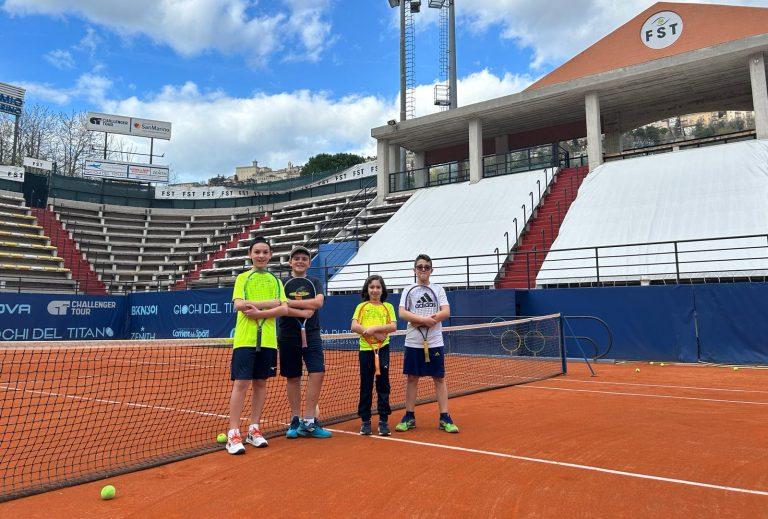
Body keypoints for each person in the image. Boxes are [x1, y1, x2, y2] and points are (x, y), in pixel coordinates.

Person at [226, 237, 289, 455]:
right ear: (250, 255)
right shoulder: (243, 278)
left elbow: (284, 309)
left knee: (261, 384)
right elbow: (239, 305)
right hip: (245, 339)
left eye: (265, 252)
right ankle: (233, 432)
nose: (261, 256)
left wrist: (260, 311)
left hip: (269, 340)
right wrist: (270, 304)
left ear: (270, 255)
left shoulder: (275, 280)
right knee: (241, 384)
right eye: (257, 252)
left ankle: (254, 428)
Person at [396, 254, 459, 433]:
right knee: (412, 378)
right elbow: (403, 313)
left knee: (439, 378)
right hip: (413, 342)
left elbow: (445, 312)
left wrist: (425, 321)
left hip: (435, 341)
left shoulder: (438, 290)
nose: (423, 270)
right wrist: (424, 320)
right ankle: (409, 416)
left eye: (426, 267)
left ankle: (444, 417)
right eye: (420, 267)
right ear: (414, 270)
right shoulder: (408, 290)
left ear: (431, 270)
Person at [278, 245, 332, 439]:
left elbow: (318, 303)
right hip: (287, 335)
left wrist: (288, 303)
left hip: (312, 334)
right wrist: (302, 310)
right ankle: (295, 418)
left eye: (304, 258)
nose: (300, 261)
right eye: (296, 258)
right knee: (293, 377)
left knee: (317, 372)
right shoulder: (282, 282)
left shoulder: (315, 281)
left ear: (309, 263)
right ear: (290, 262)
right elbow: (279, 304)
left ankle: (309, 421)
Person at [351, 275, 397, 436]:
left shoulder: (388, 307)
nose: (375, 290)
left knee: (383, 384)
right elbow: (354, 325)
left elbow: (393, 326)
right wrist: (373, 333)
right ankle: (365, 421)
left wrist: (374, 329)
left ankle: (383, 420)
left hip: (383, 350)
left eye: (378, 287)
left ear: (382, 290)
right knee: (366, 385)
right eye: (372, 287)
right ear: (367, 289)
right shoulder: (361, 306)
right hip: (365, 350)